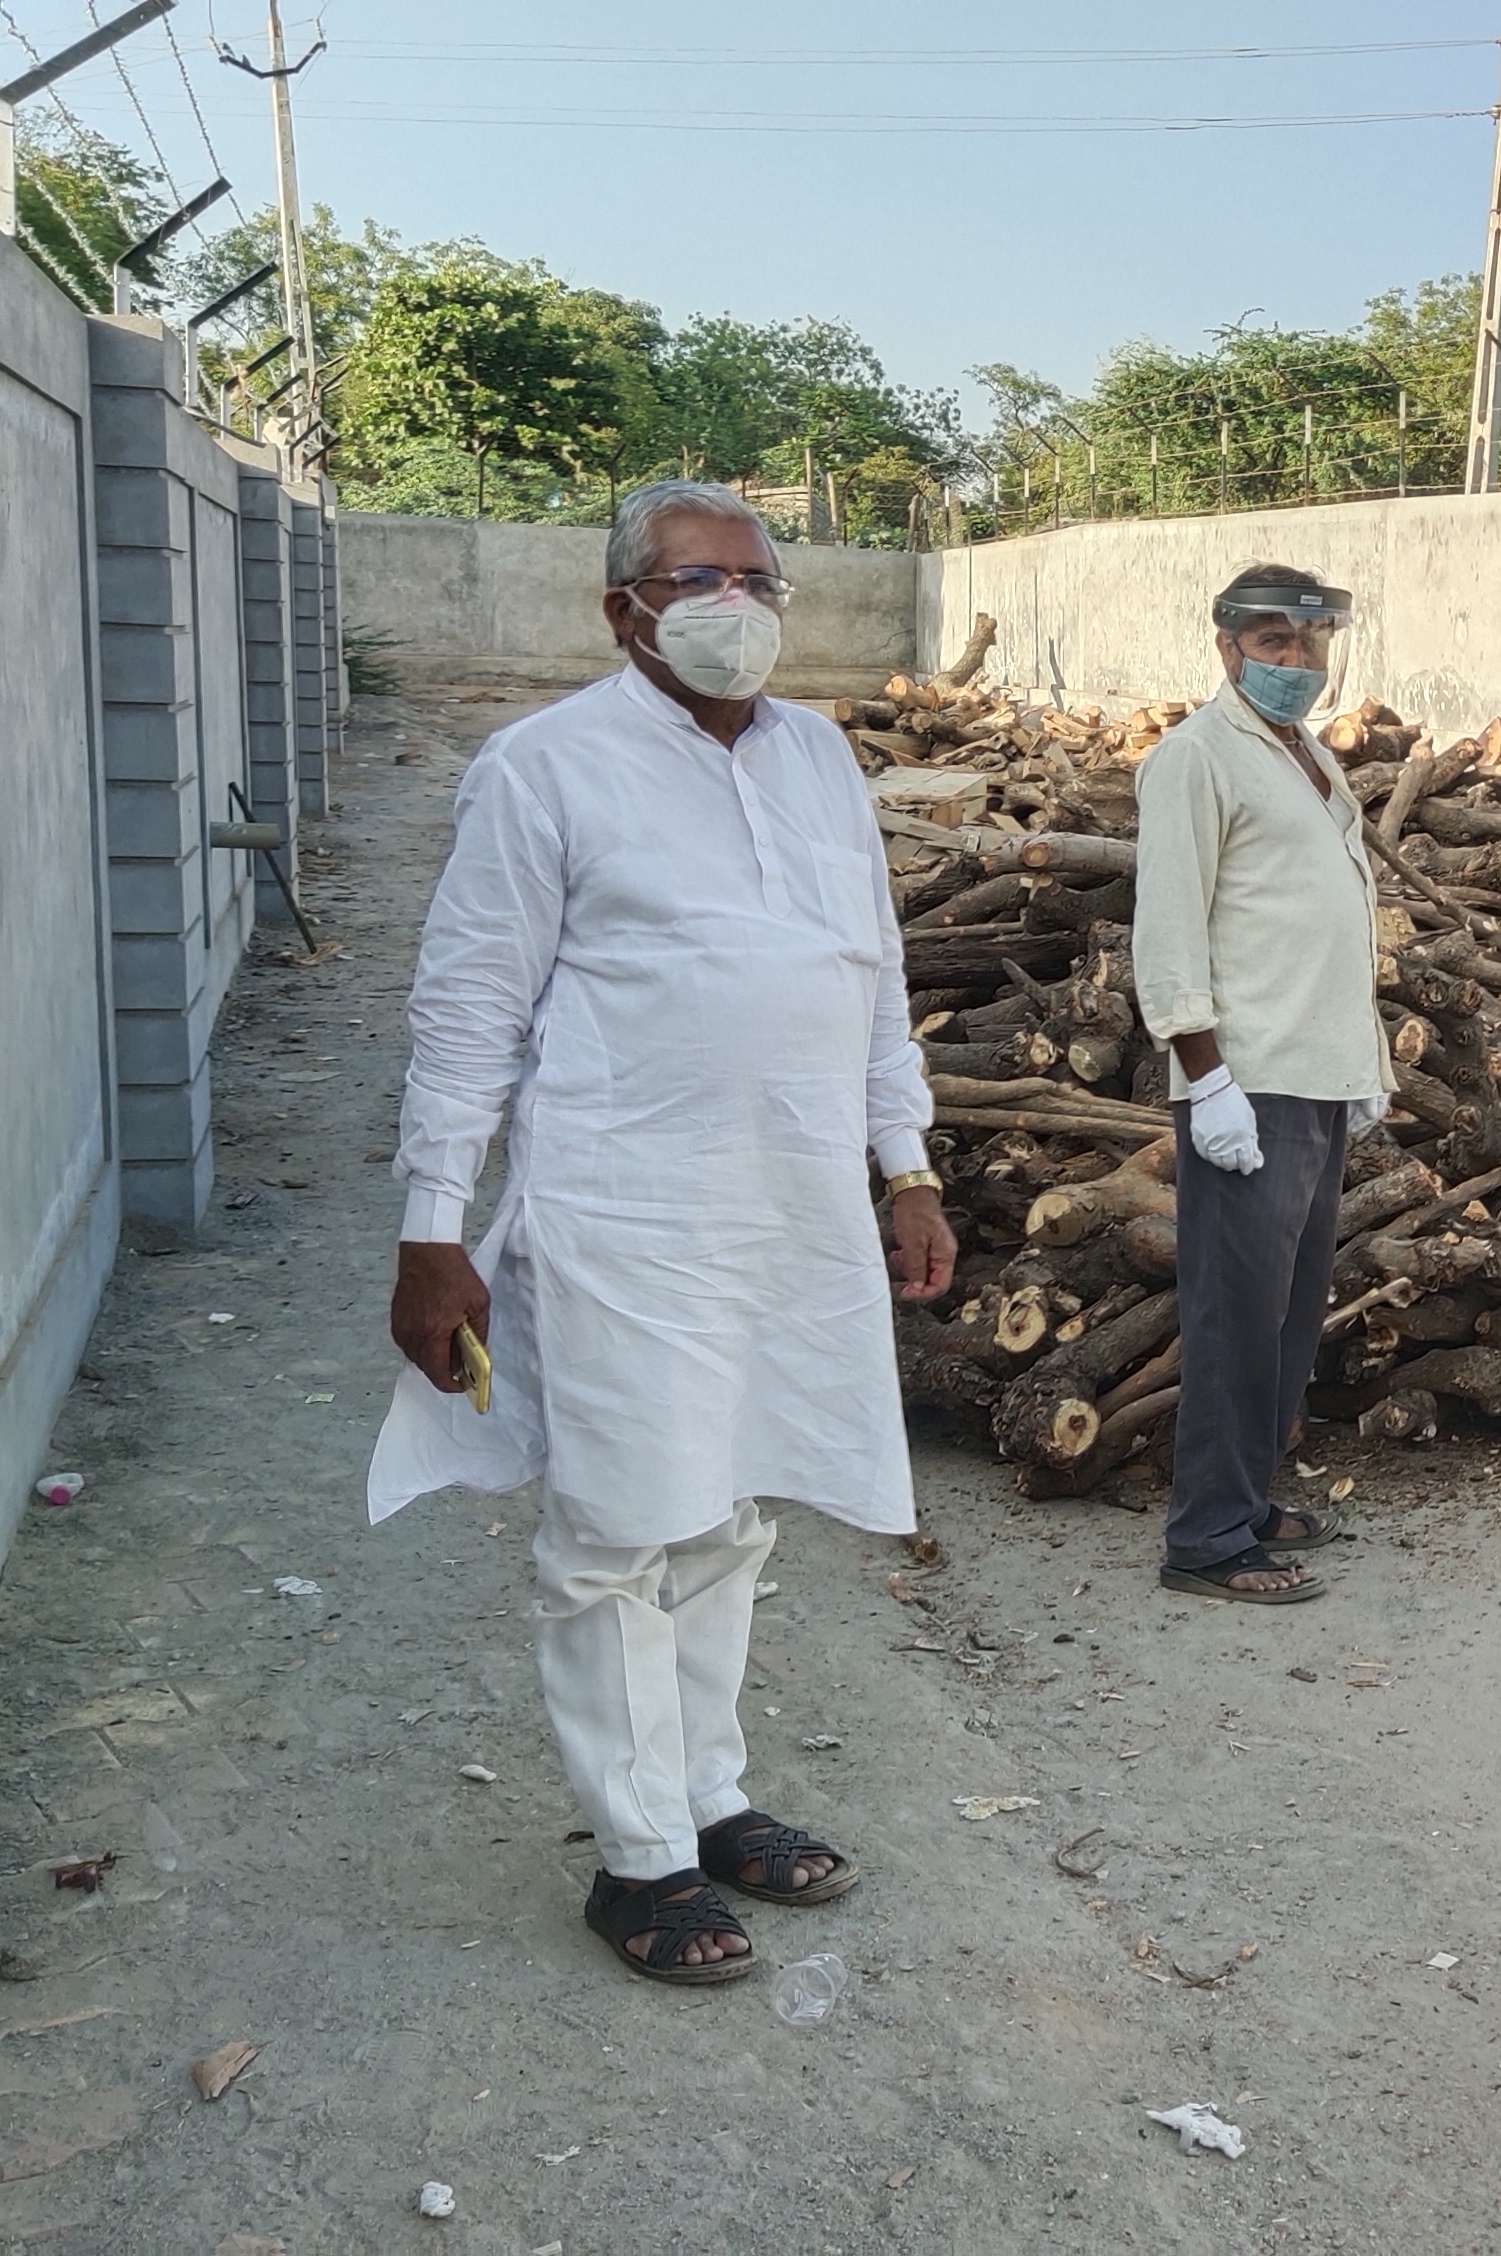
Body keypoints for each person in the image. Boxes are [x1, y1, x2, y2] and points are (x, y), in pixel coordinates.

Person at [368, 481, 958, 1984]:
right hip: (623, 1209)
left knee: (732, 1512)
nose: (736, 608)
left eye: (760, 581)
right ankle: (636, 1862)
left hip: (792, 1206)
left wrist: (908, 1167)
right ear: (623, 605)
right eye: (700, 580)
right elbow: (466, 1010)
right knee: (621, 1530)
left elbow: (869, 975)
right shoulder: (541, 768)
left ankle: (708, 1796)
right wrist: (433, 1229)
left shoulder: (820, 756)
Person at [1129, 564, 1394, 1604]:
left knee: (1287, 1312)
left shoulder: (1310, 759)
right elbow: (1170, 930)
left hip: (1315, 1071)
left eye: (1311, 645)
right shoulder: (1196, 759)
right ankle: (1205, 1538)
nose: (1296, 664)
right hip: (1251, 1079)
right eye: (1274, 644)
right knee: (1236, 1314)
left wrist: (1362, 1064)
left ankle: (1248, 1499)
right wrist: (1206, 1080)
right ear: (1227, 648)